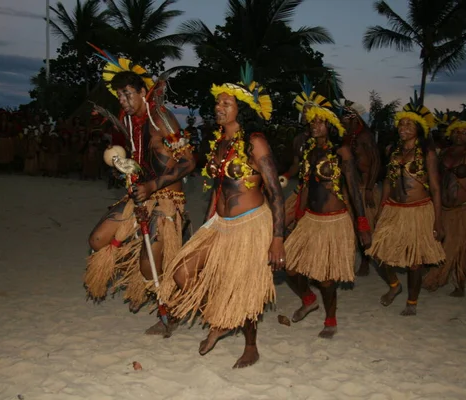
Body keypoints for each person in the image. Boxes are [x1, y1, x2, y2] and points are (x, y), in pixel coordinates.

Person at [158, 64, 285, 368]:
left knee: (244, 288)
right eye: (218, 102)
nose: (219, 107)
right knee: (182, 272)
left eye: (227, 103)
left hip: (252, 223)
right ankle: (218, 319)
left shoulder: (255, 142)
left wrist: (278, 238)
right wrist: (207, 224)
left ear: (242, 110)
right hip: (221, 223)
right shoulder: (218, 142)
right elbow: (217, 189)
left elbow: (275, 193)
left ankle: (251, 346)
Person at [83, 53, 196, 336]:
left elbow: (189, 163)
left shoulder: (162, 119)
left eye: (128, 94)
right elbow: (142, 162)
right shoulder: (132, 123)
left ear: (143, 93)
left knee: (150, 267)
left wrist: (152, 187)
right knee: (98, 240)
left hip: (168, 201)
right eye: (119, 95)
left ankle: (168, 310)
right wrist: (126, 170)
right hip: (141, 196)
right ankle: (141, 274)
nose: (123, 100)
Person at [284, 101, 371, 338]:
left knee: (325, 278)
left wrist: (362, 224)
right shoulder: (309, 151)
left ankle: (330, 319)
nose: (314, 125)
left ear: (331, 125)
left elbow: (353, 189)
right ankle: (308, 299)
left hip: (334, 221)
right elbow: (305, 187)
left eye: (320, 121)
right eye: (312, 121)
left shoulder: (341, 152)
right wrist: (297, 216)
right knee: (288, 265)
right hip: (310, 219)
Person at [366, 99, 445, 316]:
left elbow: (436, 188)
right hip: (393, 209)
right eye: (401, 124)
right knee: (377, 252)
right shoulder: (393, 151)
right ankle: (394, 285)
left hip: (418, 210)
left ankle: (412, 301)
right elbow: (388, 184)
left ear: (419, 129)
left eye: (409, 125)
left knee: (414, 262)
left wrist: (438, 220)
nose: (404, 128)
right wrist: (382, 210)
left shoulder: (427, 153)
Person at [422, 119, 466, 296]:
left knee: (461, 249)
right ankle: (438, 277)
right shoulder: (444, 153)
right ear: (450, 134)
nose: (460, 135)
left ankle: (460, 284)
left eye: (464, 132)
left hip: (465, 209)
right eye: (456, 132)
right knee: (441, 244)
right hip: (444, 209)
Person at [280, 81, 328, 234]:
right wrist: (286, 175)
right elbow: (296, 164)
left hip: (319, 194)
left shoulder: (324, 141)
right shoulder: (299, 139)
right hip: (302, 189)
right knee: (282, 224)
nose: (305, 113)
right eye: (304, 110)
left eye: (309, 110)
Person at [339, 99, 381, 276]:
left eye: (345, 118)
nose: (342, 121)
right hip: (351, 189)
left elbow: (376, 162)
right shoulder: (346, 138)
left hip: (365, 188)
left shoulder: (365, 136)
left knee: (366, 226)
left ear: (355, 118)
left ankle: (366, 261)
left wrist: (370, 188)